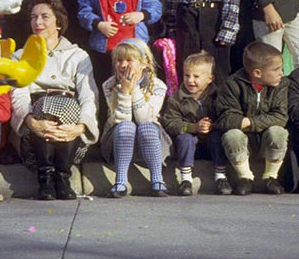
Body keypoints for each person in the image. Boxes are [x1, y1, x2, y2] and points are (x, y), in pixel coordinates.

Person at [10, 0, 99, 200]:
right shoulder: (20, 56)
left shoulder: (78, 55)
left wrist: (81, 127)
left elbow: (88, 95)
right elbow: (19, 94)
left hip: (70, 132)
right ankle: (46, 177)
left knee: (66, 104)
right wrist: (31, 122)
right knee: (47, 103)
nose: (38, 22)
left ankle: (62, 176)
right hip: (34, 134)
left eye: (44, 16)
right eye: (33, 17)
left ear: (58, 22)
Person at [216, 41, 288, 195]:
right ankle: (245, 177)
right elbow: (225, 117)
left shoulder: (282, 85)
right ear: (257, 73)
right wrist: (239, 122)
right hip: (244, 144)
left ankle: (270, 177)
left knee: (278, 132)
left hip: (265, 142)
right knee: (232, 134)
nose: (281, 73)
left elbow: (281, 116)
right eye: (276, 70)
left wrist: (250, 122)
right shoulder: (232, 84)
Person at [99, 39, 168, 198]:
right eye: (119, 60)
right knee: (126, 126)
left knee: (147, 127)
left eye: (129, 60)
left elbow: (144, 118)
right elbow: (121, 118)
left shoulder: (158, 86)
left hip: (150, 143)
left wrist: (134, 89)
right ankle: (120, 181)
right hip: (118, 141)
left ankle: (157, 180)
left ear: (143, 64)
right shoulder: (108, 85)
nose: (123, 65)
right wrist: (123, 91)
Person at [160, 51, 225, 196]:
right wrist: (193, 127)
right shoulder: (176, 98)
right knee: (185, 138)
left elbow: (226, 116)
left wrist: (212, 126)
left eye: (196, 76)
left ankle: (221, 176)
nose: (190, 80)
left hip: (210, 142)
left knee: (218, 137)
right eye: (186, 75)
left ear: (210, 79)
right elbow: (170, 122)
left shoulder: (218, 95)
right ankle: (186, 179)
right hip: (189, 145)